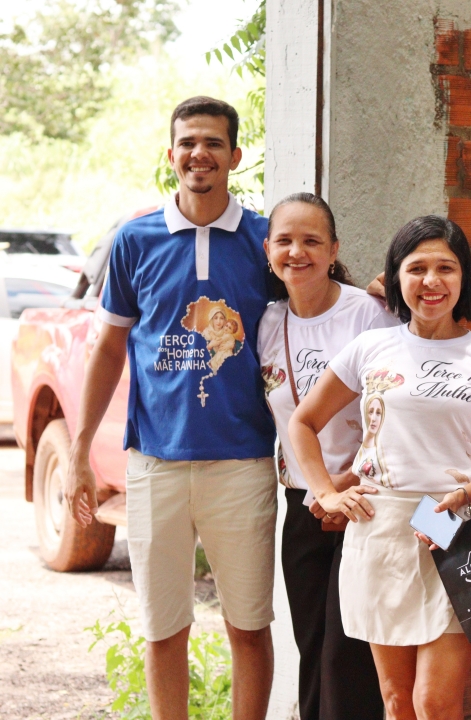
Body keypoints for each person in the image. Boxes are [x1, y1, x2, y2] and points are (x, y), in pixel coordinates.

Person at [65, 96, 277, 720]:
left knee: (248, 625)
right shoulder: (136, 240)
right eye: (188, 142)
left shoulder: (265, 239)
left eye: (213, 142)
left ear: (235, 155)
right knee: (163, 629)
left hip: (242, 461)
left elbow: (318, 302)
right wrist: (79, 452)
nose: (199, 153)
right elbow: (109, 347)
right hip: (155, 462)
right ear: (171, 154)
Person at [288, 215, 471, 720]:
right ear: (396, 276)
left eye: (445, 268)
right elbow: (302, 423)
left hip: (456, 531)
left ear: (463, 277)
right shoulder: (371, 347)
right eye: (416, 268)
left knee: (434, 701)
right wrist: (327, 493)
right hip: (380, 532)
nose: (431, 281)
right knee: (398, 701)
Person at [257, 193, 398, 720]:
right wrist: (319, 491)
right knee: (313, 646)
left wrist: (341, 485)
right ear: (268, 250)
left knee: (348, 653)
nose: (297, 252)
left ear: (334, 249)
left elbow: (397, 416)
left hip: (363, 501)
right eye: (285, 241)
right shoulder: (267, 321)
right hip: (304, 505)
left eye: (312, 241)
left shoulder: (370, 314)